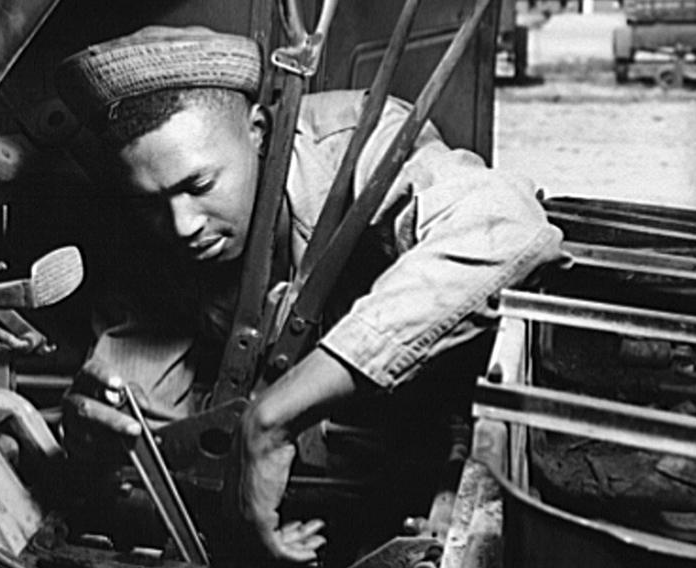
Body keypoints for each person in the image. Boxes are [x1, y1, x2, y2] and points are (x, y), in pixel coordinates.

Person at [54, 25, 563, 563]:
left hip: (408, 448)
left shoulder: (355, 146)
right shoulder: (150, 232)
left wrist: (275, 413)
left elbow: (509, 226)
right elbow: (143, 420)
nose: (181, 225)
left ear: (257, 130)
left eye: (199, 186)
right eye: (151, 202)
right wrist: (107, 445)